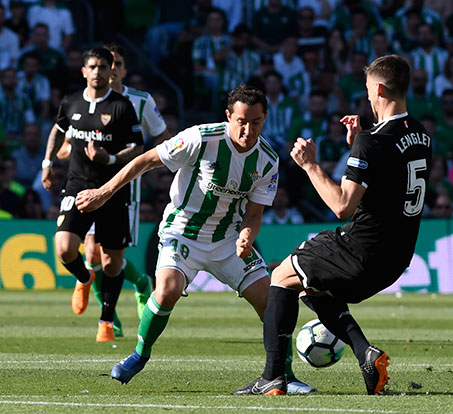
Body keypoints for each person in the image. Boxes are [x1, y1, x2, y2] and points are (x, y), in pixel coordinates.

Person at [75, 84, 315, 394]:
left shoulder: (267, 160)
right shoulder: (200, 138)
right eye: (241, 122)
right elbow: (146, 160)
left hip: (227, 239)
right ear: (228, 116)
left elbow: (254, 214)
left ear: (265, 118)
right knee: (167, 290)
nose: (248, 130)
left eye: (256, 122)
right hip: (182, 232)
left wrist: (247, 235)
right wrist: (103, 193)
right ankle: (140, 354)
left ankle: (284, 375)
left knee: (272, 301)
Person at [234, 55, 432, 395]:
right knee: (310, 286)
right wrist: (357, 145)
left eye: (368, 89)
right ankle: (366, 355)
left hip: (360, 250)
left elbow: (342, 205)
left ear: (379, 89)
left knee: (281, 276)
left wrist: (310, 165)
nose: (367, 96)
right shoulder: (420, 134)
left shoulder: (373, 141)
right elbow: (389, 173)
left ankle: (272, 377)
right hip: (396, 258)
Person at [56, 43, 171, 338]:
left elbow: (162, 138)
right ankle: (109, 313)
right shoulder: (81, 101)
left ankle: (130, 294)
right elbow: (64, 135)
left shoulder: (139, 101)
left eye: (116, 64)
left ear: (122, 69)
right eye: (107, 64)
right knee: (91, 254)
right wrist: (65, 152)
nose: (111, 70)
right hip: (84, 183)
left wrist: (146, 167)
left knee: (110, 257)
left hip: (124, 186)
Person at [41, 47, 144, 342]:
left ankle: (106, 321)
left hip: (112, 190)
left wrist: (109, 159)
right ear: (84, 71)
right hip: (77, 186)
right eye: (93, 66)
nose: (98, 72)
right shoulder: (71, 101)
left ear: (111, 71)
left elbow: (137, 147)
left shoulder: (122, 106)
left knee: (112, 262)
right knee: (64, 248)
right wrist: (47, 163)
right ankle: (85, 278)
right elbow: (58, 130)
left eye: (103, 67)